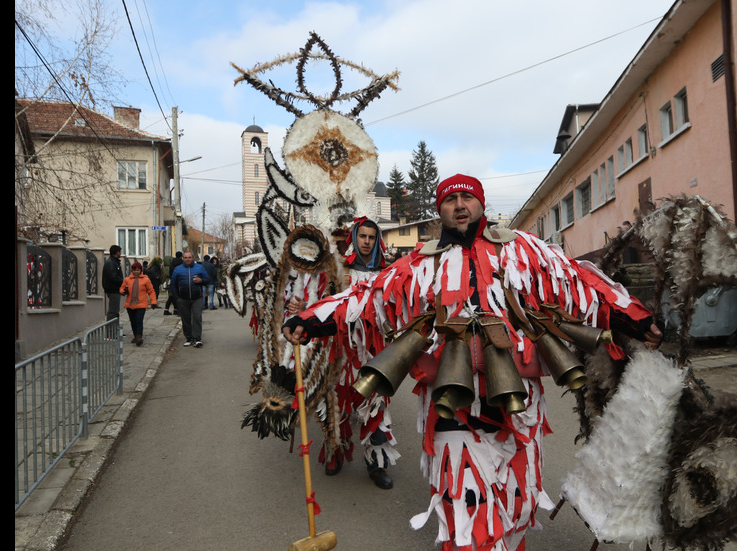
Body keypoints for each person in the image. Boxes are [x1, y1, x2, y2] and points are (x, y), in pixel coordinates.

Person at [283, 174, 663, 550]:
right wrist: (310, 321)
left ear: (481, 203)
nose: (460, 205)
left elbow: (576, 282)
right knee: (467, 521)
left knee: (518, 510)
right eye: (451, 200)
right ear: (440, 210)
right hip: (452, 409)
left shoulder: (524, 250)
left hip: (519, 407)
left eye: (467, 197)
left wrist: (633, 318)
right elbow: (367, 298)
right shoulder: (418, 265)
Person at [291, 217, 398, 490]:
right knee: (336, 404)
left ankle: (377, 464)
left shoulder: (388, 273)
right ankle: (335, 452)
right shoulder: (338, 271)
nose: (366, 241)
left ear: (377, 241)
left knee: (375, 407)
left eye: (372, 237)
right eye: (362, 236)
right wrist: (302, 311)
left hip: (375, 352)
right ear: (354, 237)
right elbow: (320, 305)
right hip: (340, 351)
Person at [170, 251, 210, 348]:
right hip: (183, 298)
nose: (187, 259)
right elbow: (173, 284)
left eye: (189, 257)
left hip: (197, 298)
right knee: (186, 319)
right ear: (183, 259)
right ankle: (189, 338)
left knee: (197, 317)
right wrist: (177, 298)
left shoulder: (199, 268)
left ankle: (197, 338)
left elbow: (207, 280)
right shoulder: (177, 270)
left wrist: (200, 281)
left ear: (193, 258)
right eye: (186, 258)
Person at [119, 261, 158, 345]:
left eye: (137, 270)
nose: (136, 272)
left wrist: (153, 302)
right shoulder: (127, 280)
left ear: (140, 270)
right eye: (134, 270)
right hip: (130, 304)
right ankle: (135, 335)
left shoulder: (145, 279)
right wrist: (123, 291)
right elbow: (121, 289)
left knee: (139, 321)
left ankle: (139, 337)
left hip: (141, 304)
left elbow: (151, 291)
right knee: (133, 321)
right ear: (132, 271)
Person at [102, 245, 124, 321]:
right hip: (113, 290)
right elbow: (113, 277)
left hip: (115, 289)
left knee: (115, 311)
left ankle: (115, 330)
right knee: (113, 311)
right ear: (117, 252)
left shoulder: (114, 262)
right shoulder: (111, 263)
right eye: (120, 252)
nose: (120, 253)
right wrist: (123, 282)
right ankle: (111, 331)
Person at [164, 251, 184, 316]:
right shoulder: (182, 262)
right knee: (178, 296)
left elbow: (169, 273)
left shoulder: (171, 263)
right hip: (179, 281)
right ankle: (177, 310)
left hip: (171, 281)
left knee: (171, 296)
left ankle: (171, 310)